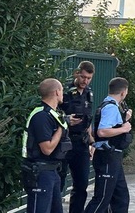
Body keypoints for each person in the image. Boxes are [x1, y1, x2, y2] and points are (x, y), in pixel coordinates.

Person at [22, 78, 72, 213]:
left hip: (52, 171)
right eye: (62, 90)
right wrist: (61, 129)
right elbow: (47, 149)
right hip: (41, 172)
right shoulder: (41, 116)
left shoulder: (53, 114)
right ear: (57, 92)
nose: (63, 94)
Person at [84, 77, 133, 213]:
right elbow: (102, 131)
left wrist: (124, 119)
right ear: (123, 92)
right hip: (107, 156)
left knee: (121, 197)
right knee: (102, 199)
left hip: (113, 156)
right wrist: (124, 129)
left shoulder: (107, 105)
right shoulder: (110, 107)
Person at [59, 62, 95, 213]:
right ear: (76, 74)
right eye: (83, 76)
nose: (85, 81)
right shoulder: (64, 91)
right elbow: (52, 114)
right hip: (64, 142)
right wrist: (66, 119)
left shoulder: (89, 93)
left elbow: (88, 121)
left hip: (81, 143)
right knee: (58, 183)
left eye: (88, 78)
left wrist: (92, 142)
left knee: (81, 185)